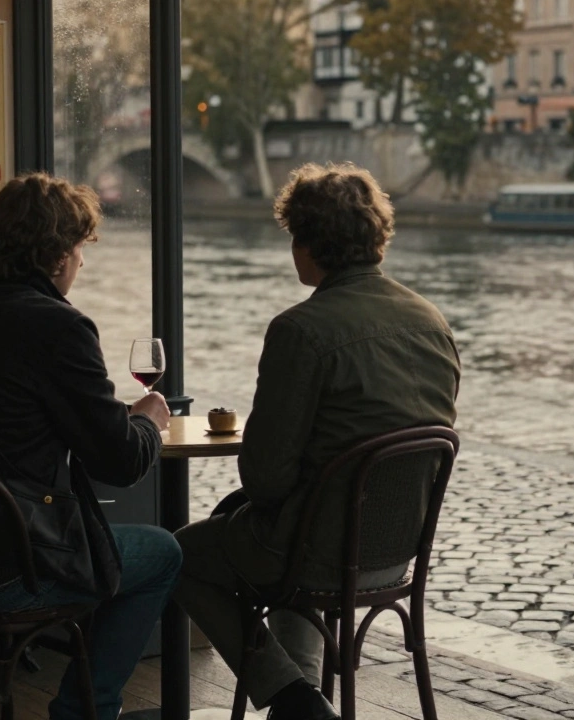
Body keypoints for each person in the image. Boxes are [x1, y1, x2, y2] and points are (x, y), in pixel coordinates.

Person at [174, 163, 461, 720]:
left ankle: (294, 698)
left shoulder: (300, 330)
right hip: (395, 553)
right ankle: (297, 702)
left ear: (309, 244)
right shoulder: (433, 322)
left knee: (180, 554)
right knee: (284, 523)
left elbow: (265, 477)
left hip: (318, 553)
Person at [0, 172, 178, 720]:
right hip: (11, 568)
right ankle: (83, 711)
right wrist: (148, 421)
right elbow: (120, 462)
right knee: (163, 552)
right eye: (78, 249)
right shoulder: (58, 326)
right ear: (56, 256)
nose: (80, 262)